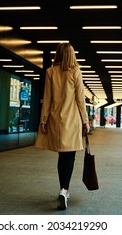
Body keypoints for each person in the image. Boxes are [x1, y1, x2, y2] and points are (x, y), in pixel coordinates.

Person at [35, 42, 90, 210]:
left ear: (57, 54)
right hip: (72, 121)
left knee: (61, 156)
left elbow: (47, 98)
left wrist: (43, 120)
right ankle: (64, 190)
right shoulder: (76, 72)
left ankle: (63, 189)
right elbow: (80, 99)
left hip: (56, 121)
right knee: (70, 157)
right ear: (72, 55)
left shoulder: (50, 72)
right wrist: (86, 120)